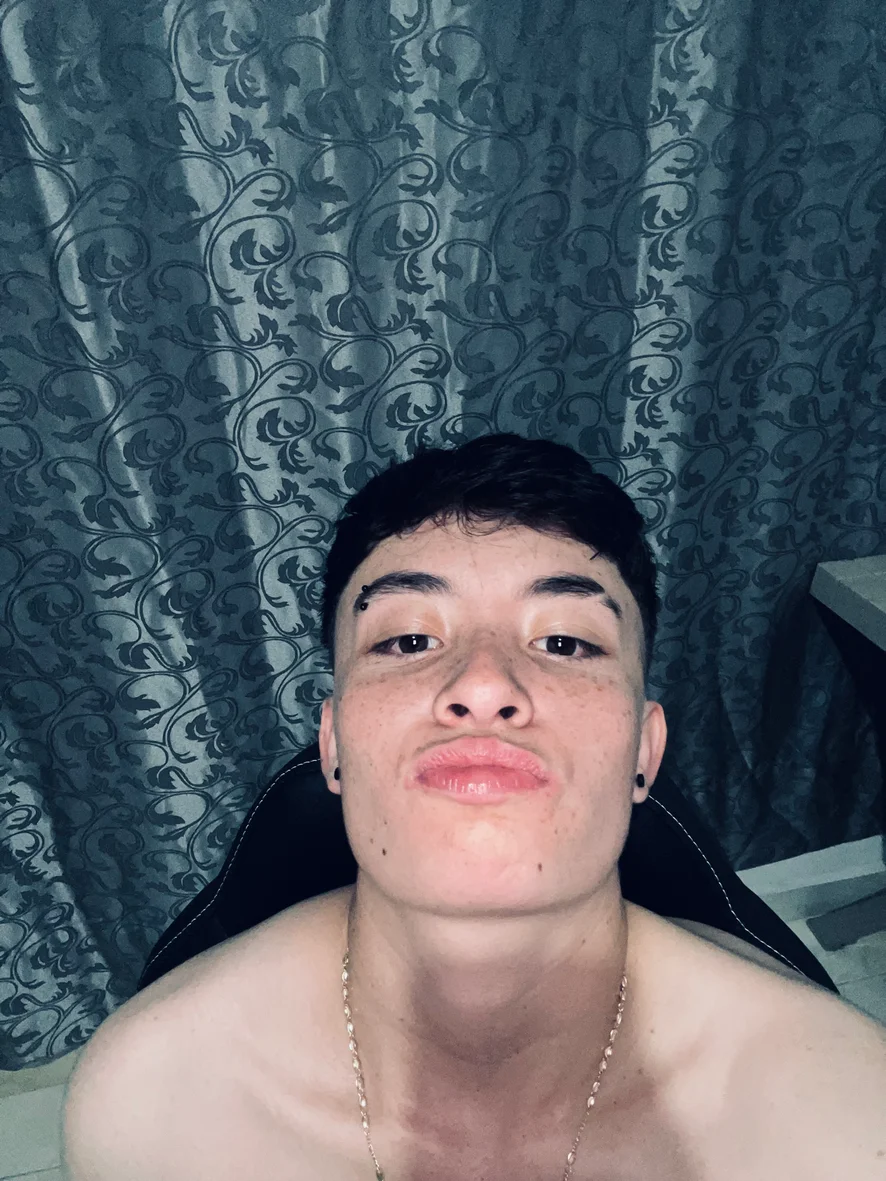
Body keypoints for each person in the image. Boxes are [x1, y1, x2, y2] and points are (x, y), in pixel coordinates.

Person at [63, 434, 885, 1180]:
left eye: (565, 641)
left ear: (645, 751)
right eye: (408, 640)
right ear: (333, 745)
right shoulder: (150, 1104)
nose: (484, 684)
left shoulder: (841, 1121)